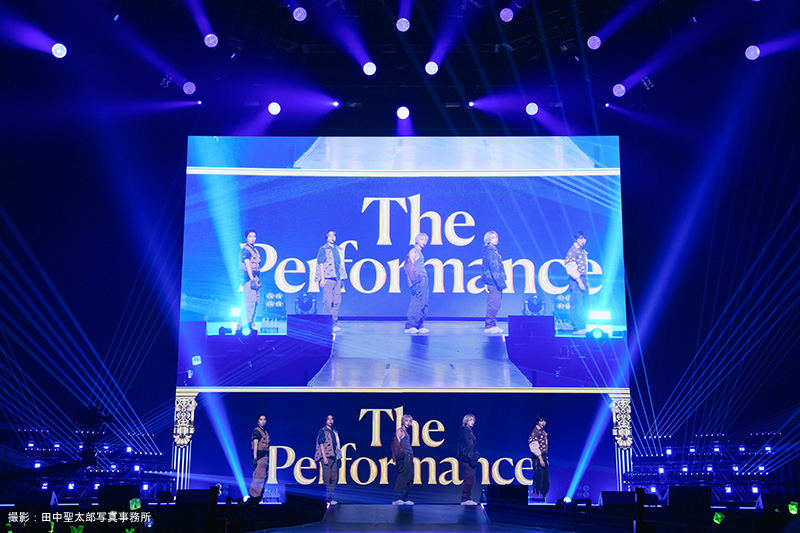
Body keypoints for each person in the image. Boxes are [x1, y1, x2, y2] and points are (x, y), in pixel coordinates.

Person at [315, 230, 347, 332]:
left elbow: (341, 265)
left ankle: (334, 323)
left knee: (337, 302)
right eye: (330, 236)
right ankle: (327, 325)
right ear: (327, 238)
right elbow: (321, 263)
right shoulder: (324, 249)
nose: (332, 237)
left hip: (338, 278)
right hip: (328, 278)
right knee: (328, 302)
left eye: (333, 235)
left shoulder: (338, 249)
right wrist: (322, 279)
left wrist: (342, 278)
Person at [481, 231, 506, 334]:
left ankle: (492, 324)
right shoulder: (490, 251)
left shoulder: (491, 250)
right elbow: (493, 268)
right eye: (494, 237)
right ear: (489, 239)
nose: (496, 239)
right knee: (494, 303)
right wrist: (500, 282)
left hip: (493, 281)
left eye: (496, 237)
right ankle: (489, 325)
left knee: (496, 303)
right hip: (494, 281)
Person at [404, 233, 430, 334]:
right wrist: (415, 282)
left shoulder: (419, 252)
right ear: (417, 240)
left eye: (425, 240)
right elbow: (409, 267)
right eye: (422, 239)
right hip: (418, 279)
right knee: (417, 301)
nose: (424, 242)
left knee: (424, 302)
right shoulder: (413, 251)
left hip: (424, 279)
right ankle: (410, 326)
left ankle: (419, 325)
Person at [564, 231, 590, 335]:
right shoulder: (573, 250)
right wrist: (579, 280)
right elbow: (570, 267)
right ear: (576, 239)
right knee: (577, 303)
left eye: (584, 238)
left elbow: (584, 266)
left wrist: (585, 280)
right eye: (580, 238)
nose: (583, 240)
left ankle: (582, 325)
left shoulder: (582, 250)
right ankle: (576, 327)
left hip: (582, 278)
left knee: (585, 303)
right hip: (576, 280)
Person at [314, 414, 342, 505]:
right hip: (327, 457)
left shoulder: (334, 432)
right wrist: (324, 457)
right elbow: (321, 444)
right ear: (326, 421)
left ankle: (331, 498)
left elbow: (337, 446)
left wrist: (339, 457)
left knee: (334, 478)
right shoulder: (323, 431)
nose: (330, 421)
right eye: (328, 419)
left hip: (334, 457)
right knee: (327, 478)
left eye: (332, 419)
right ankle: (325, 499)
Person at [240, 229, 262, 331]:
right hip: (249, 279)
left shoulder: (254, 250)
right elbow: (248, 264)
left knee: (255, 302)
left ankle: (252, 324)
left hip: (256, 277)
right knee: (249, 303)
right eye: (250, 236)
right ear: (246, 238)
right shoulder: (246, 250)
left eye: (254, 236)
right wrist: (252, 279)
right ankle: (244, 326)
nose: (252, 238)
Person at [392, 414, 415, 505]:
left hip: (409, 456)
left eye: (410, 421)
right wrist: (399, 460)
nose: (408, 423)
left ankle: (405, 498)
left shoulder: (406, 432)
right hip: (404, 456)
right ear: (403, 421)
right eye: (406, 421)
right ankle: (397, 498)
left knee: (409, 478)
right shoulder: (400, 431)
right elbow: (396, 445)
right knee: (402, 477)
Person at [457, 414, 479, 505]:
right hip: (468, 459)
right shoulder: (466, 431)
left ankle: (467, 498)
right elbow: (469, 446)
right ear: (466, 421)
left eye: (473, 420)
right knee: (469, 479)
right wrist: (472, 459)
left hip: (468, 458)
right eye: (470, 420)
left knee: (471, 479)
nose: (472, 422)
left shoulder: (468, 431)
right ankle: (465, 499)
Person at [528, 415, 549, 501]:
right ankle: (537, 495)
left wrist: (545, 458)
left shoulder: (542, 432)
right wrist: (540, 458)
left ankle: (543, 496)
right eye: (541, 421)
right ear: (537, 422)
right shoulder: (535, 432)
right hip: (538, 457)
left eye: (544, 421)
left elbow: (544, 446)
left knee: (545, 477)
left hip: (543, 456)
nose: (543, 423)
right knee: (539, 477)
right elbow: (533, 446)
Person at [249, 413, 270, 500]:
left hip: (265, 456)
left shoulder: (264, 431)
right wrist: (255, 458)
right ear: (258, 421)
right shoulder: (257, 431)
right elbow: (255, 444)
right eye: (261, 419)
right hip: (260, 457)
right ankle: (254, 497)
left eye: (264, 419)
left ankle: (259, 497)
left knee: (263, 477)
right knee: (258, 477)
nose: (263, 421)